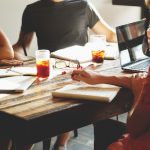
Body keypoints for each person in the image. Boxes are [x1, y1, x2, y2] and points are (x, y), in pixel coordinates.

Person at [13, 0, 117, 149]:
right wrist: (10, 55)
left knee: (67, 93)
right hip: (48, 73)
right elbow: (22, 46)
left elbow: (110, 35)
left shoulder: (83, 5)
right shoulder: (32, 10)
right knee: (29, 109)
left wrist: (137, 36)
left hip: (79, 73)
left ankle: (61, 143)